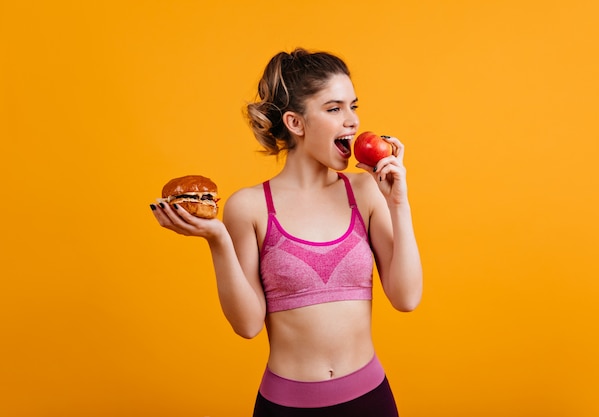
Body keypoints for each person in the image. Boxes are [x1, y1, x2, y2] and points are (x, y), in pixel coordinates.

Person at [151, 48, 422, 416]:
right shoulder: (249, 207)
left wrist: (399, 203)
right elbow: (247, 325)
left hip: (370, 401)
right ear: (295, 123)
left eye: (353, 106)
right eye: (333, 109)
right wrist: (217, 240)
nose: (352, 121)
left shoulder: (364, 192)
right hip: (286, 407)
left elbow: (406, 298)